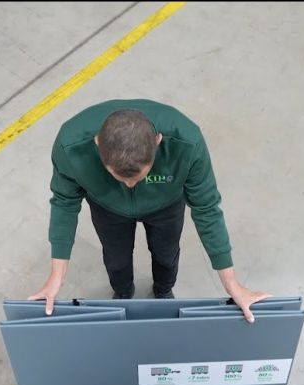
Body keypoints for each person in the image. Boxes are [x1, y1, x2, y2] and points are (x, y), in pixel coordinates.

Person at [28, 99, 269, 322]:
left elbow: (206, 208)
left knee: (166, 254)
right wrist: (56, 277)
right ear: (97, 143)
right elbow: (64, 203)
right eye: (119, 177)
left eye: (138, 177)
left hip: (166, 203)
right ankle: (123, 293)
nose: (129, 185)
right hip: (107, 206)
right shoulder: (70, 145)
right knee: (116, 257)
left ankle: (163, 290)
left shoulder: (187, 142)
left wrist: (232, 285)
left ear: (157, 141)